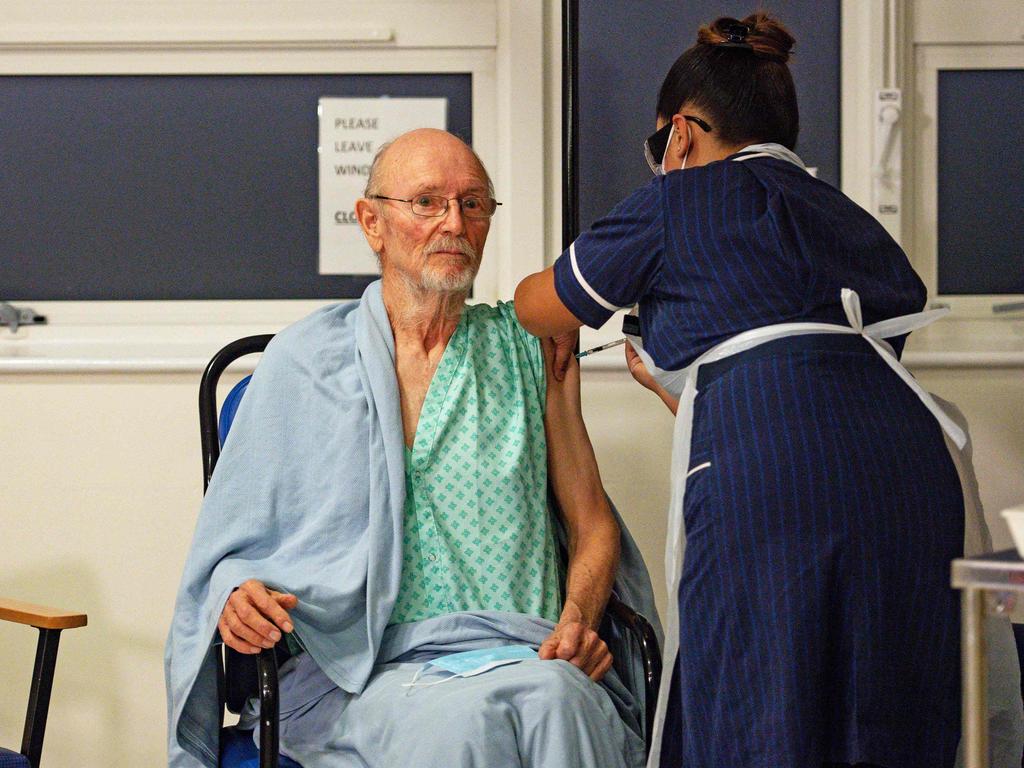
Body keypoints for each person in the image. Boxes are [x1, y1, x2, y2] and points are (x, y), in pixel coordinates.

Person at [514, 13, 968, 768]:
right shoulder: (850, 219)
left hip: (774, 481)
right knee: (884, 697)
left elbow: (543, 303)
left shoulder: (676, 202)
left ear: (681, 136)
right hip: (910, 473)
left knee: (758, 697)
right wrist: (684, 387)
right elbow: (824, 373)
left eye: (659, 146)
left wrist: (546, 309)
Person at [165, 128, 655, 768]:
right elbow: (229, 549)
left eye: (473, 204)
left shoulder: (531, 345)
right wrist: (235, 596)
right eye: (427, 202)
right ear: (372, 222)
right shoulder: (302, 363)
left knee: (559, 701)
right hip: (360, 670)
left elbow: (592, 525)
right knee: (467, 724)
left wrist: (579, 621)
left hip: (526, 651)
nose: (454, 221)